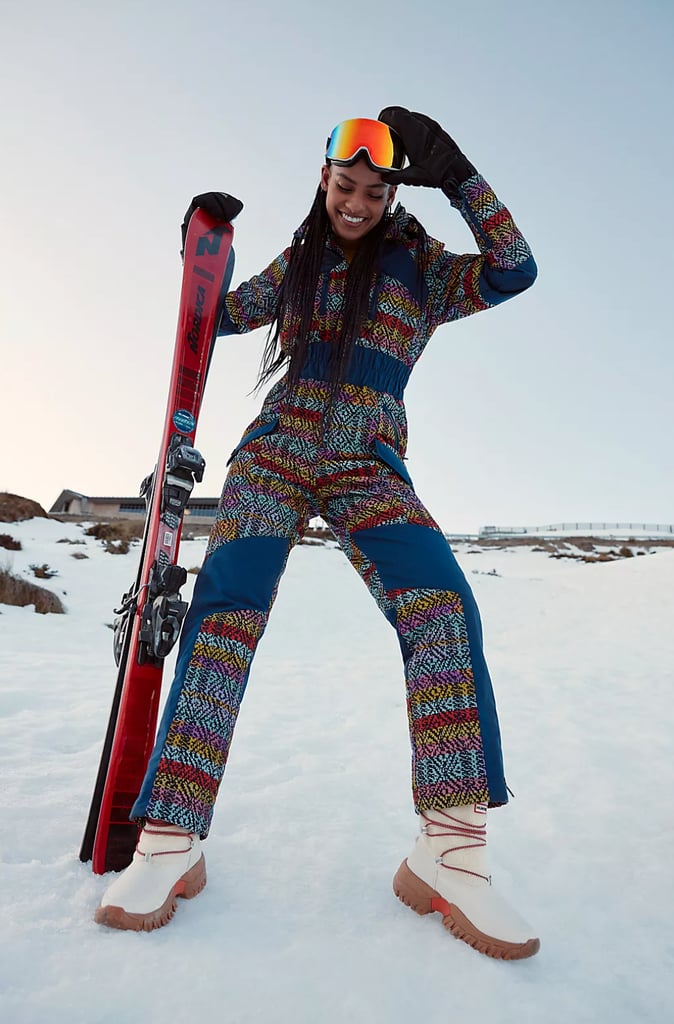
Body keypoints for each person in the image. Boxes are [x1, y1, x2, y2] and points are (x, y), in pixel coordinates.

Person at [95, 107, 540, 960]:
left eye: (375, 191)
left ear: (392, 193)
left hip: (371, 461)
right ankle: (169, 842)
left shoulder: (425, 269)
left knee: (441, 607)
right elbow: (215, 315)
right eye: (345, 186)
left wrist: (460, 177)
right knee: (227, 615)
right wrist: (198, 247)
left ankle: (450, 853)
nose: (357, 203)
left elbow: (516, 270)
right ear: (324, 180)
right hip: (275, 452)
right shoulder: (299, 261)